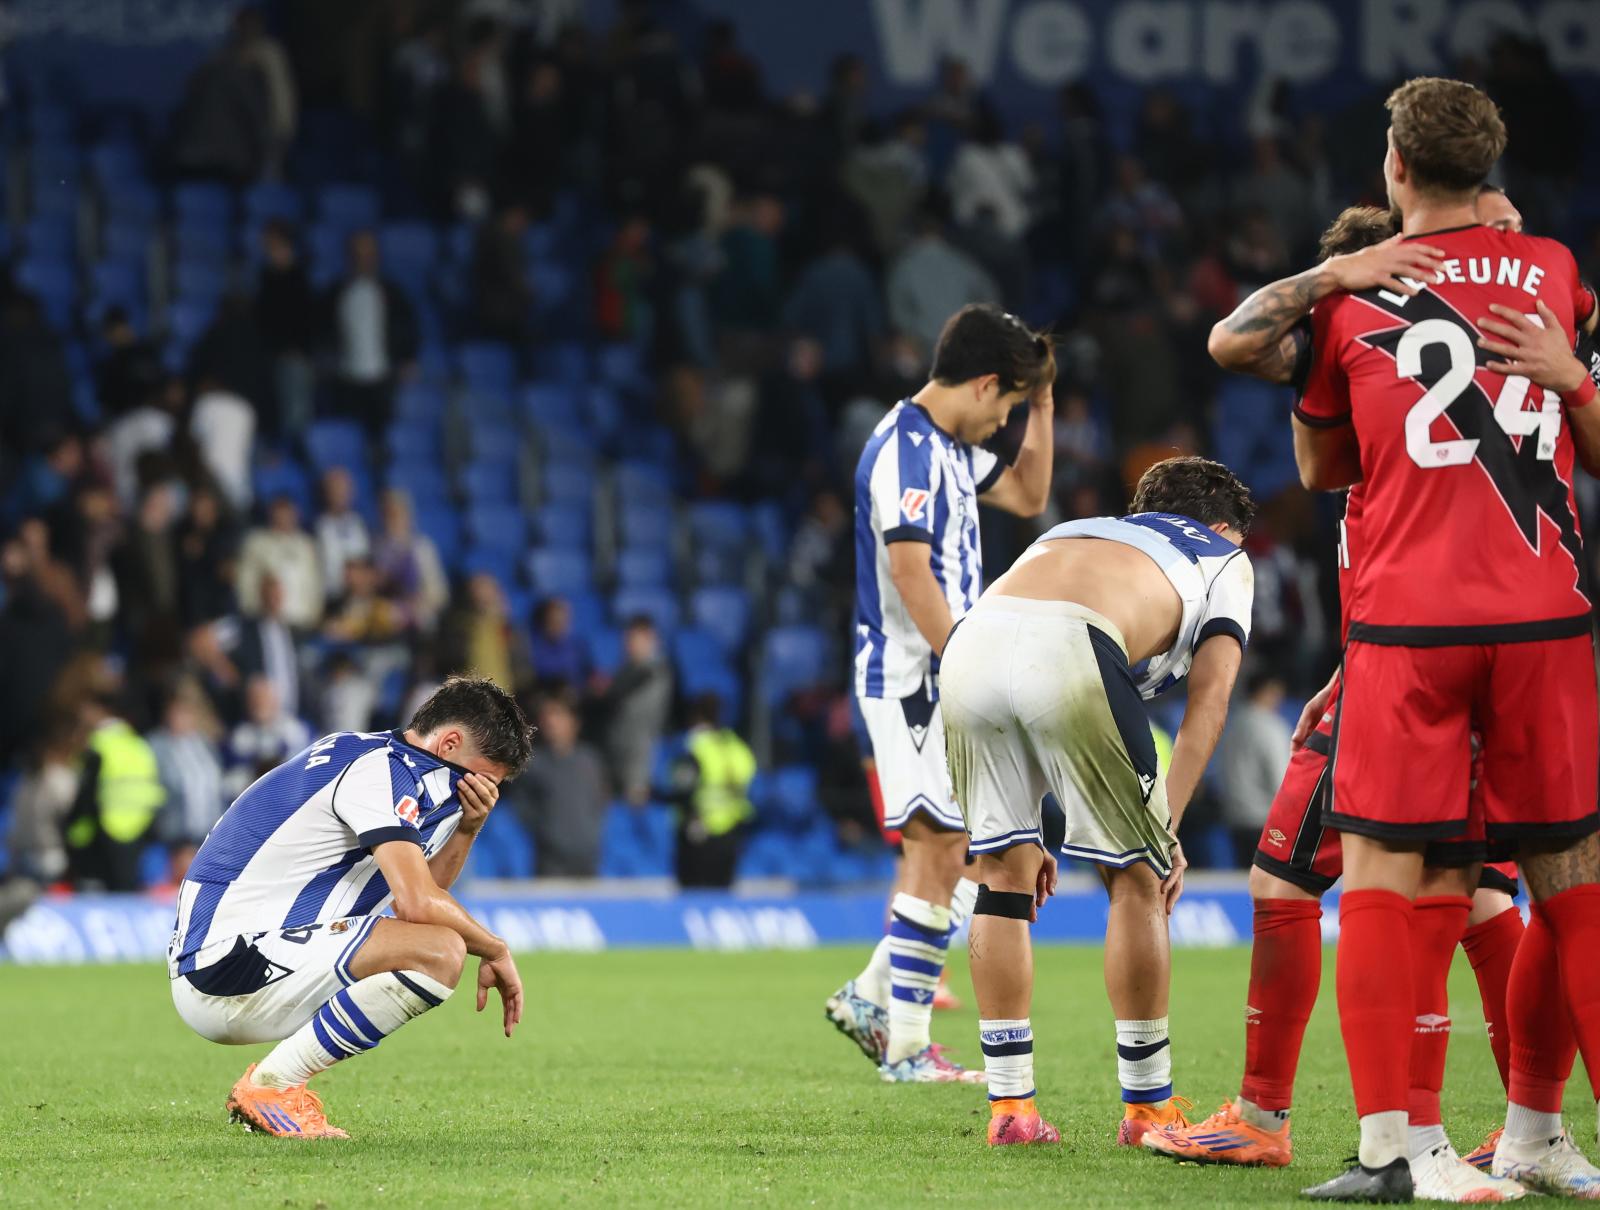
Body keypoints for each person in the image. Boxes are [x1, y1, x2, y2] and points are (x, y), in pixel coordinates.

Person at [1148, 198, 1568, 1199]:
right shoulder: (1496, 347)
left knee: (1291, 883)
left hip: (1411, 665)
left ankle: (1266, 1114)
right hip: (1495, 655)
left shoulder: (1358, 350)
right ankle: (1531, 1125)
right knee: (1480, 894)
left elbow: (1236, 344)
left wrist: (1337, 283)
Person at [1283, 78, 1600, 1202]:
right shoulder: (1555, 270)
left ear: (1395, 169)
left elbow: (1323, 471)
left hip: (1411, 622)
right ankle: (1531, 1130)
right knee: (1568, 883)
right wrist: (1565, 377)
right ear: (1487, 172)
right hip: (1546, 617)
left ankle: (1389, 1147)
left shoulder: (1349, 301)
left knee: (1379, 871)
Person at [941, 456, 1253, 1147]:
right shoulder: (1225, 559)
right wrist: (1162, 830)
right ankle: (1148, 1110)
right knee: (1138, 881)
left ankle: (1011, 1110)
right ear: (1225, 526)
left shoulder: (1080, 533)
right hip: (1072, 646)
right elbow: (1210, 700)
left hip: (970, 644)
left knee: (1002, 877)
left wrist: (1037, 819)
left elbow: (1025, 649)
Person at [827, 303, 1054, 1085]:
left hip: (937, 670)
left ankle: (872, 998)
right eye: (1009, 405)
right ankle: (906, 1048)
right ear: (984, 382)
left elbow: (1028, 494)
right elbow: (910, 571)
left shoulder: (954, 450)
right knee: (937, 848)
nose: (1004, 423)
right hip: (914, 676)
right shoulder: (906, 449)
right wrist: (962, 658)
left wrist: (1046, 402)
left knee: (958, 850)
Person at [167, 676, 533, 1138]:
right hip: (225, 961)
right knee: (442, 952)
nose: (480, 792)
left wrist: (466, 829)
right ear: (450, 743)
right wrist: (496, 948)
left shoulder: (397, 769)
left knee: (435, 949)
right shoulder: (376, 770)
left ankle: (275, 1088)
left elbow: (415, 905)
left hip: (256, 955)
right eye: (481, 778)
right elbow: (419, 904)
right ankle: (273, 1087)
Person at [65, 683, 167, 892]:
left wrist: (73, 834)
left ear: (97, 710)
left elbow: (85, 797)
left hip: (102, 836)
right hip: (138, 832)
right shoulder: (139, 745)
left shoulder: (97, 745)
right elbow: (152, 792)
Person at [320, 230, 420, 436]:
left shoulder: (391, 291)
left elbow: (407, 326)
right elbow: (323, 330)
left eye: (368, 254)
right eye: (358, 254)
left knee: (383, 436)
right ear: (350, 257)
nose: (363, 260)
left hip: (382, 376)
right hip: (346, 377)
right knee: (346, 435)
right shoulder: (336, 292)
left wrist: (408, 357)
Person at [666, 694, 756, 888]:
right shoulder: (739, 749)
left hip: (698, 833)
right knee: (722, 897)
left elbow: (682, 790)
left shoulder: (696, 747)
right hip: (732, 833)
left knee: (694, 900)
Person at [515, 693, 608, 878]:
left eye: (557, 715)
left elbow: (601, 799)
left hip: (587, 858)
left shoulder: (590, 761)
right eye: (547, 717)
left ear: (574, 722)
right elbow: (522, 807)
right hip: (552, 861)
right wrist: (547, 832)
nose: (551, 723)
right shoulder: (534, 765)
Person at [598, 616, 673, 806]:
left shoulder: (656, 674)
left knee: (635, 804)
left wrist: (607, 696)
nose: (629, 645)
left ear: (650, 639)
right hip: (614, 748)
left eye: (634, 640)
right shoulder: (625, 670)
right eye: (627, 640)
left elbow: (631, 710)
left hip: (639, 751)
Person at [236, 496, 322, 629]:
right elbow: (246, 583)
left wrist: (315, 616)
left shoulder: (306, 545)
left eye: (287, 513)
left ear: (295, 515)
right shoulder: (256, 543)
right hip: (266, 622)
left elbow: (314, 584)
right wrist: (253, 615)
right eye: (279, 513)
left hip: (302, 621)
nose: (283, 518)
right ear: (271, 515)